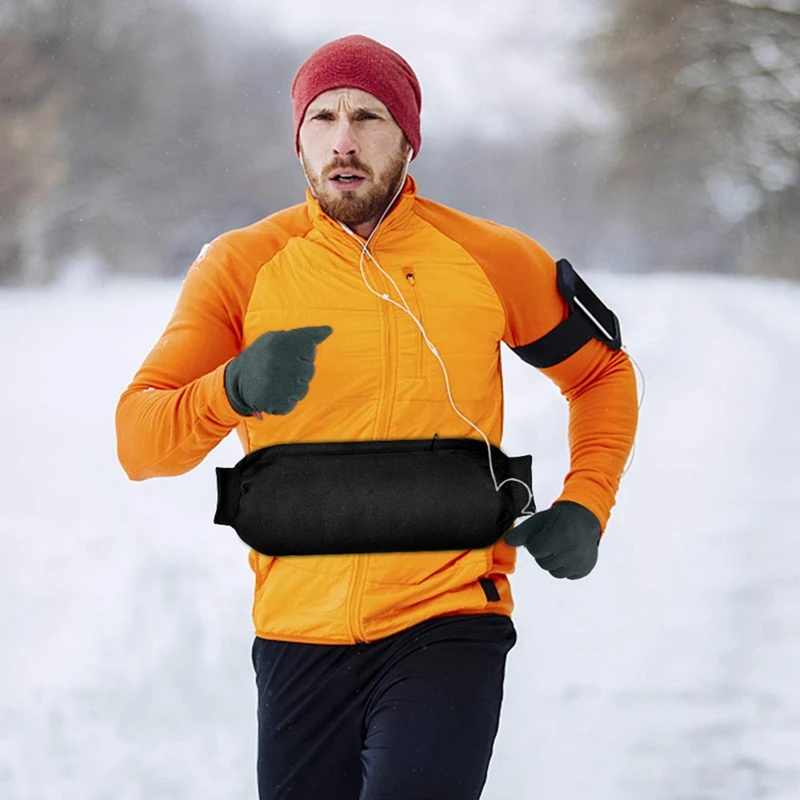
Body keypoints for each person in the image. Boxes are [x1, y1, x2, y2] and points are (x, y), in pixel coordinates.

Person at [115, 33, 639, 800]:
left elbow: (601, 371)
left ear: (407, 138)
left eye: (369, 116)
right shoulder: (242, 268)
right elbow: (139, 440)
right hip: (297, 637)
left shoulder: (488, 257)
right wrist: (230, 388)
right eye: (322, 118)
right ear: (299, 139)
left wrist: (588, 502)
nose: (345, 141)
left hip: (448, 620)